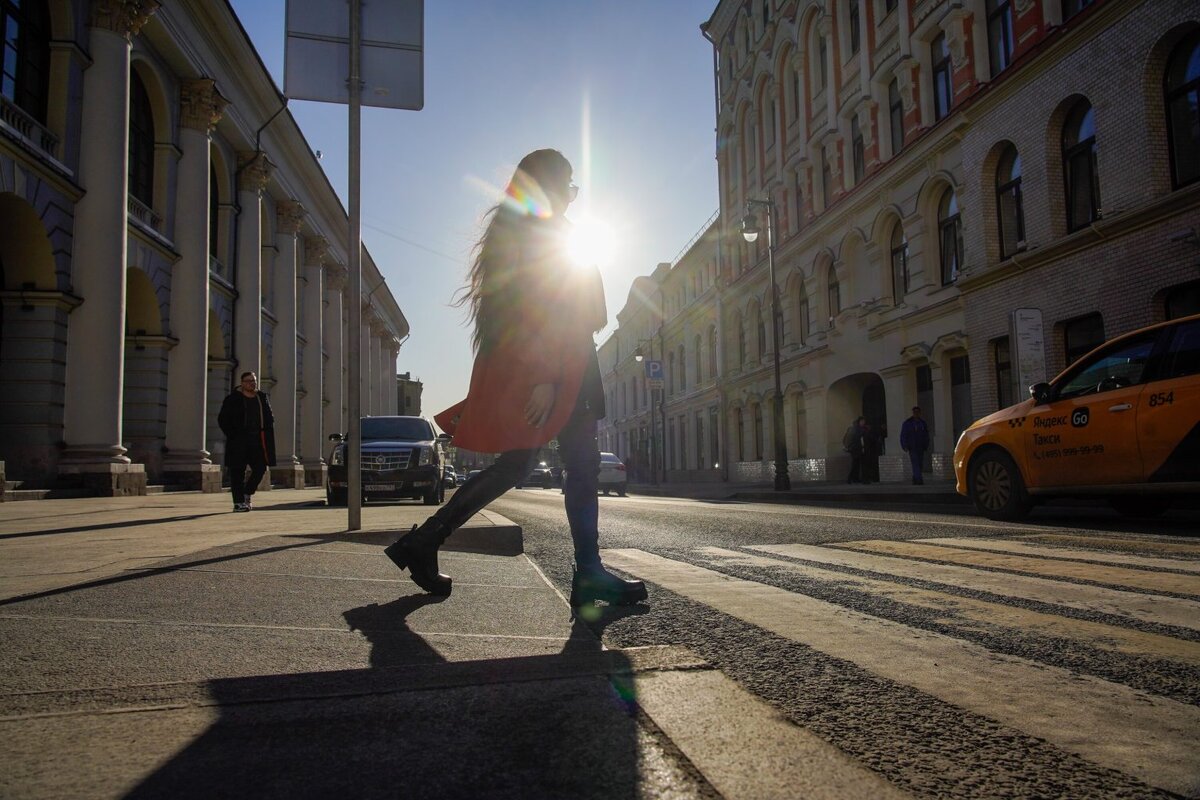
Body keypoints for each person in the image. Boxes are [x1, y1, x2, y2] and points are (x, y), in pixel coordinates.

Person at [383, 149, 646, 609]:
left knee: (520, 465)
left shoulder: (527, 231)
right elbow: (538, 309)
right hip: (561, 368)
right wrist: (546, 378)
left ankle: (424, 542)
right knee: (579, 466)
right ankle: (589, 573)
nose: (571, 194)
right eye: (567, 184)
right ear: (547, 185)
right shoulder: (541, 234)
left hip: (562, 363)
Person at [217, 371, 276, 511]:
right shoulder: (233, 399)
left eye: (254, 381)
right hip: (238, 441)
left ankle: (247, 492)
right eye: (249, 381)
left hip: (258, 440)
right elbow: (222, 419)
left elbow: (269, 416)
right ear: (242, 383)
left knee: (260, 468)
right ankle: (238, 503)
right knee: (237, 471)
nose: (252, 383)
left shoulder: (261, 397)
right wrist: (232, 434)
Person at [900, 406, 931, 485]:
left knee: (920, 463)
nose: (916, 414)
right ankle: (918, 479)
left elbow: (926, 435)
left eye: (918, 412)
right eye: (915, 412)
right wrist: (905, 445)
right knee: (915, 463)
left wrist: (926, 444)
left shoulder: (922, 423)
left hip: (920, 446)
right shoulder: (908, 423)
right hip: (912, 446)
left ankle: (916, 477)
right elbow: (904, 435)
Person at [843, 416, 866, 484]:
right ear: (860, 421)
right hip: (856, 449)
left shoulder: (856, 429)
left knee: (856, 464)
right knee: (855, 465)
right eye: (863, 421)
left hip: (856, 449)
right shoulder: (857, 429)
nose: (864, 423)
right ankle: (850, 479)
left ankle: (855, 479)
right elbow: (857, 438)